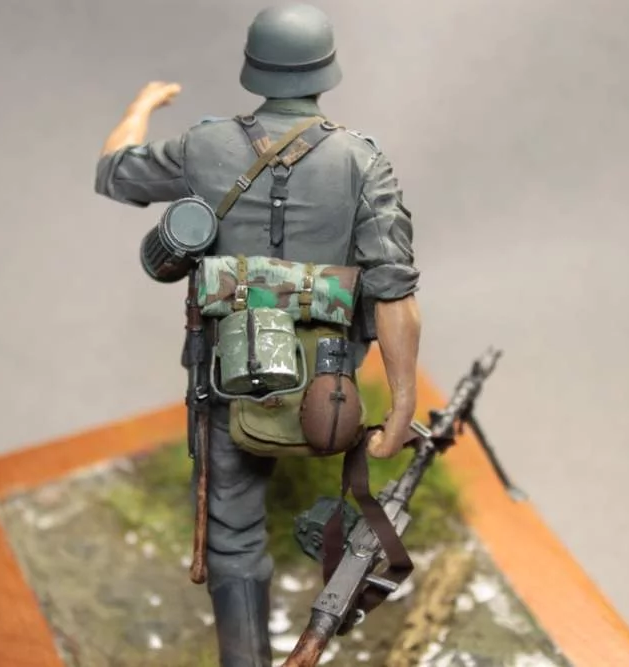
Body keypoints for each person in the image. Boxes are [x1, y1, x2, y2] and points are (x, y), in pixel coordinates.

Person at [94, 4, 421, 666]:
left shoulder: (204, 146)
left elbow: (113, 171)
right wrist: (403, 403)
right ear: (326, 70)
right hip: (329, 388)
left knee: (233, 533)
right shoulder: (362, 162)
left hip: (231, 376)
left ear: (254, 68)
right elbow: (396, 294)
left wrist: (141, 105)